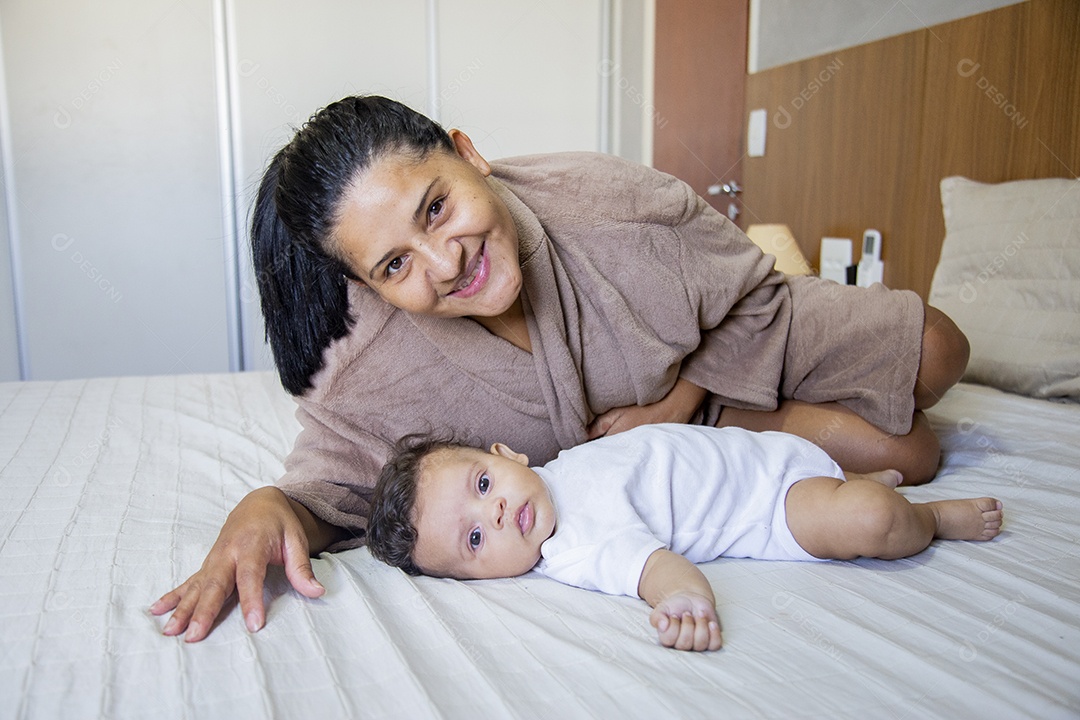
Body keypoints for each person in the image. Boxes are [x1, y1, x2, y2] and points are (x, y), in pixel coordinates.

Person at [150, 95, 970, 642]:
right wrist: (263, 510)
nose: (442, 262)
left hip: (720, 347)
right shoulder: (375, 366)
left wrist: (680, 399)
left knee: (938, 350)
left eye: (436, 207)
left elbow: (745, 293)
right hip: (698, 428)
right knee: (914, 456)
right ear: (368, 288)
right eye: (394, 266)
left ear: (469, 154)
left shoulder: (614, 207)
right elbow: (326, 497)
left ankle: (722, 403)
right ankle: (743, 421)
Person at [366, 425, 1004, 652]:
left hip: (762, 450)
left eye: (483, 483)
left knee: (853, 487)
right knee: (872, 521)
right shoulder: (579, 546)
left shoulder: (560, 467)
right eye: (475, 539)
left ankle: (856, 477)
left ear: (508, 454)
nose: (498, 512)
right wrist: (684, 602)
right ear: (483, 579)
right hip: (772, 505)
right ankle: (931, 519)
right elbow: (657, 569)